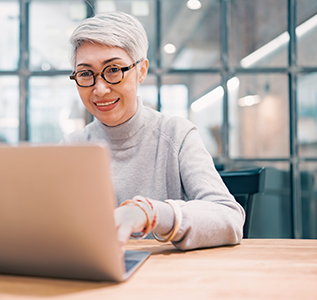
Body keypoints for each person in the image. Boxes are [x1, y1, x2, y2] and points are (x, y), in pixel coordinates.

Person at [63, 11, 245, 252]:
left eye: (114, 69)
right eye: (86, 73)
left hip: (165, 281)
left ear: (141, 70)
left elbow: (228, 217)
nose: (100, 89)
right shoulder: (71, 146)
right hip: (93, 278)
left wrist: (151, 213)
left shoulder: (176, 134)